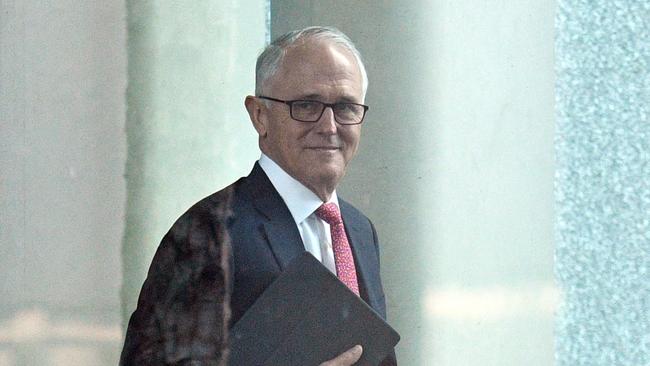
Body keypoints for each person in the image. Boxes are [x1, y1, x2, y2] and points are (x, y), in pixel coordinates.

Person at [121, 26, 395, 366]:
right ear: (260, 115)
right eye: (307, 105)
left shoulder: (358, 230)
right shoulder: (209, 233)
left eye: (346, 107)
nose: (329, 126)